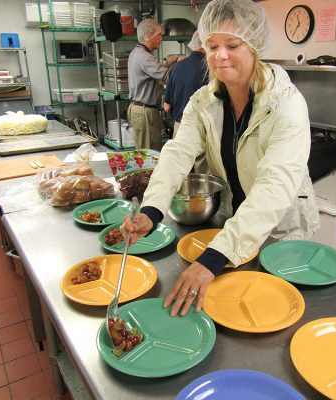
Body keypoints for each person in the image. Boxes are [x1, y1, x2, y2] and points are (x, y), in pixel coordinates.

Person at [121, 0, 320, 317]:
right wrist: (152, 208)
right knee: (228, 310)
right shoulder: (204, 101)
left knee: (273, 315)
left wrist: (214, 258)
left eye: (232, 44)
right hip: (229, 225)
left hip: (278, 232)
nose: (219, 54)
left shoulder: (286, 103)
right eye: (212, 45)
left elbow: (275, 184)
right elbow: (177, 153)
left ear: (254, 46)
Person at [127, 19, 178, 151]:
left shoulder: (136, 53)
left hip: (138, 109)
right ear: (149, 35)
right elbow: (169, 78)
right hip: (145, 112)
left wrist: (167, 64)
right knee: (150, 154)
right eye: (159, 35)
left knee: (144, 152)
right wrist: (183, 65)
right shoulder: (145, 57)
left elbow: (154, 76)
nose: (161, 38)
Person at [163, 31, 208, 137]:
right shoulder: (210, 68)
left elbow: (166, 107)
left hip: (180, 129)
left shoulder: (175, 68)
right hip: (202, 129)